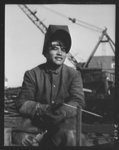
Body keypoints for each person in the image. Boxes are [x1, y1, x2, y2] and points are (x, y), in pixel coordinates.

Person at [16, 24, 85, 147]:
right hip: (36, 126)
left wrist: (62, 112)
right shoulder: (32, 74)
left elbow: (78, 101)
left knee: (71, 137)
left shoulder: (74, 75)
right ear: (46, 51)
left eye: (63, 49)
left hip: (63, 125)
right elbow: (22, 103)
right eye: (55, 48)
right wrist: (44, 109)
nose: (60, 53)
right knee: (22, 139)